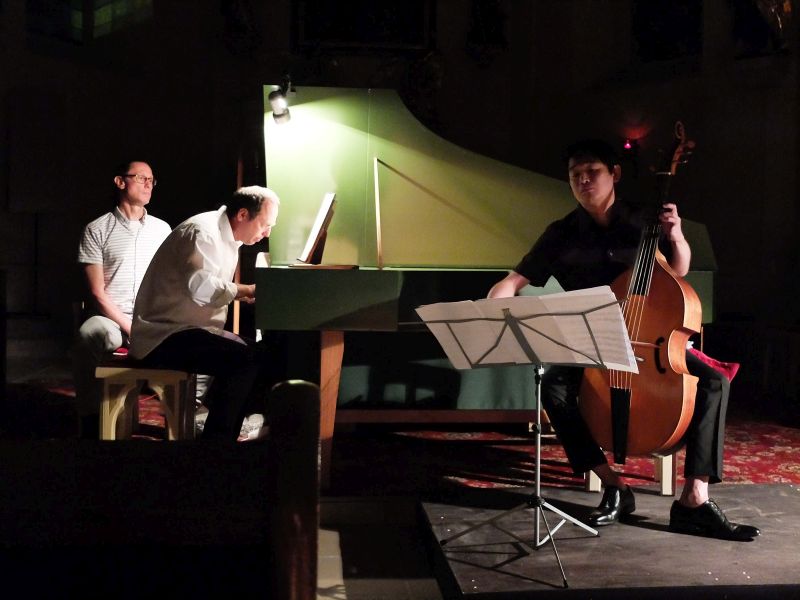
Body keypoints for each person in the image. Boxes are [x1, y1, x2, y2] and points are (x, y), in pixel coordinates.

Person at [488, 139, 760, 541]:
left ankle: (694, 499)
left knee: (714, 381)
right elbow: (514, 280)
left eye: (592, 171)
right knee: (553, 386)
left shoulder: (643, 221)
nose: (583, 180)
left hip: (649, 340)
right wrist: (495, 308)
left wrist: (677, 234)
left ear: (613, 173)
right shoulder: (562, 232)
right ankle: (612, 484)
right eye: (575, 174)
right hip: (594, 340)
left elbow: (678, 271)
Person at [129, 185, 280, 440]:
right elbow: (201, 289)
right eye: (265, 225)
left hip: (185, 330)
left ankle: (224, 433)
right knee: (245, 360)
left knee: (257, 355)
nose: (266, 234)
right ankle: (216, 443)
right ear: (243, 214)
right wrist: (246, 291)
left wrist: (243, 294)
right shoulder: (203, 232)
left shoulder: (228, 235)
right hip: (162, 336)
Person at [73, 160, 171, 436]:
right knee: (88, 335)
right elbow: (97, 292)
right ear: (120, 182)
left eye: (152, 179)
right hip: (112, 320)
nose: (148, 184)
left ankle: (191, 414)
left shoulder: (162, 229)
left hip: (152, 319)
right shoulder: (97, 229)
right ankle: (90, 418)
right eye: (141, 178)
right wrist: (129, 327)